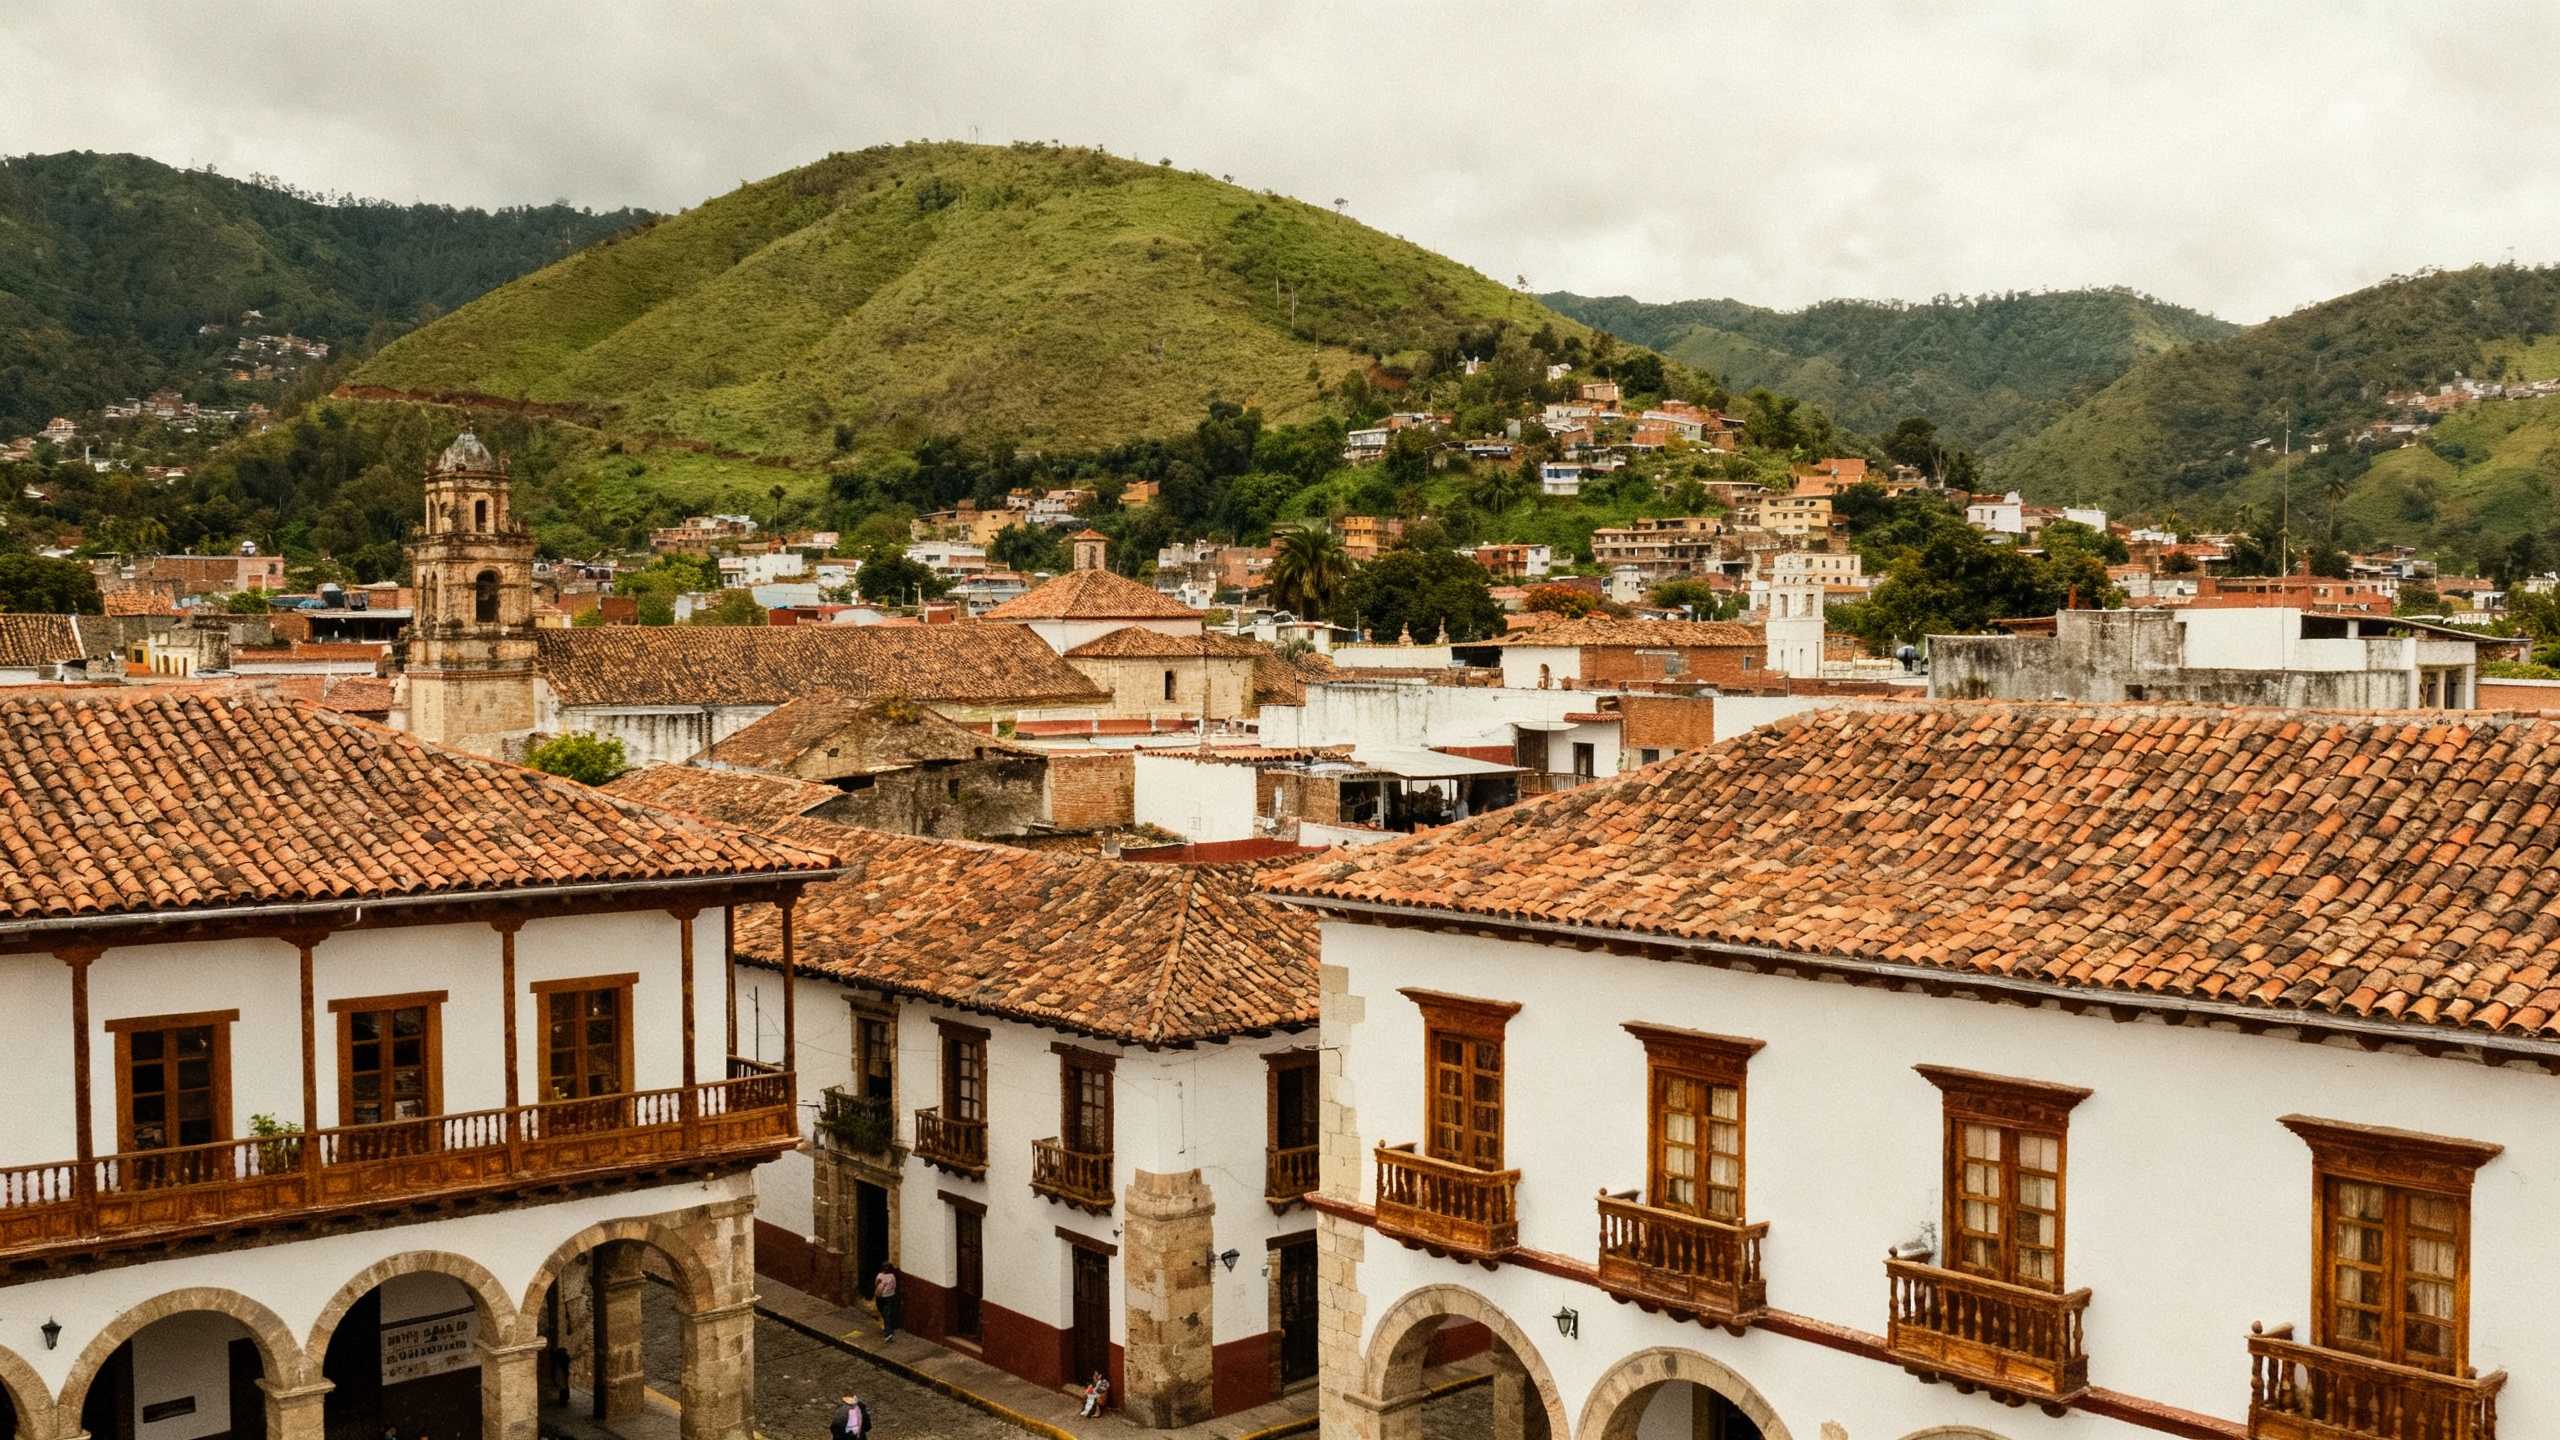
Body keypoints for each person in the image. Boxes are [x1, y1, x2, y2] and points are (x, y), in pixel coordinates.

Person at [873, 1262, 902, 1337]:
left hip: (886, 1296)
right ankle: (887, 1328)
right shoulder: (885, 1276)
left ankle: (888, 1330)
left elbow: (877, 1284)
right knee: (886, 1312)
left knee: (886, 1312)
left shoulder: (890, 1276)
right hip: (883, 1296)